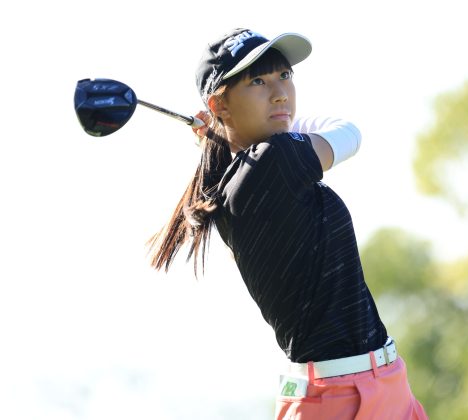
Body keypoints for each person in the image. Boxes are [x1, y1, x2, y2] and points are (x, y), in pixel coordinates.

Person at [148, 28, 428, 419]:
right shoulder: (271, 161)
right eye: (258, 81)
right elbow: (347, 133)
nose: (280, 93)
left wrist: (224, 130)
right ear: (219, 104)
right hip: (342, 400)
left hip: (382, 385)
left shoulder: (249, 173)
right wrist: (225, 131)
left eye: (284, 75)